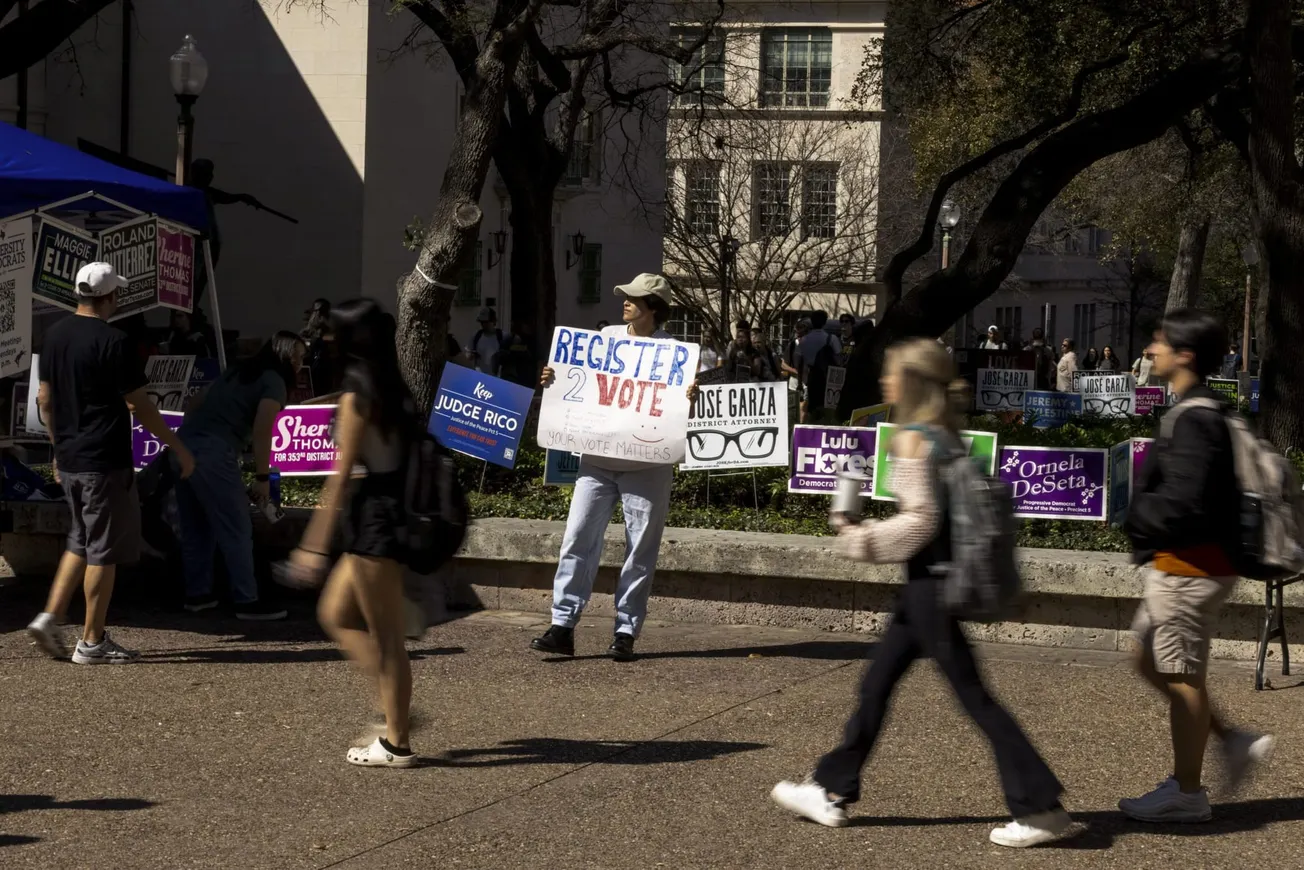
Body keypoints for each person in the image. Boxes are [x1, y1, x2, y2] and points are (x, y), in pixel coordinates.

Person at [770, 338, 1070, 847]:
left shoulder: (912, 437)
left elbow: (921, 522)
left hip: (930, 587)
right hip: (926, 588)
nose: (884, 382)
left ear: (909, 383)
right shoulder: (947, 435)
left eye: (890, 374)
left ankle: (1039, 807)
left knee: (975, 700)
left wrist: (855, 538)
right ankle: (830, 788)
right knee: (875, 687)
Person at [1119, 309, 1275, 822]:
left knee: (1182, 676)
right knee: (1146, 656)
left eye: (1159, 342)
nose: (1149, 350)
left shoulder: (1195, 418)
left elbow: (1184, 502)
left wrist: (1133, 514)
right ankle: (1232, 741)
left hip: (1189, 569)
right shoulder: (1201, 410)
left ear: (1184, 355)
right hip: (1183, 566)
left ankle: (1187, 793)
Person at [26, 263, 197, 664]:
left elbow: (44, 400)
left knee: (80, 539)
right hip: (104, 458)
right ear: (109, 298)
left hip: (70, 457)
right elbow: (140, 404)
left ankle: (49, 615)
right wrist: (177, 445)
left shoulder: (53, 336)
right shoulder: (115, 341)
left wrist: (56, 448)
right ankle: (92, 640)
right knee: (103, 550)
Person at [531, 274, 691, 662]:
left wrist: (690, 394)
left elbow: (680, 411)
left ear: (653, 307)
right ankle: (563, 625)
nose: (625, 302)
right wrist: (552, 379)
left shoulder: (674, 353)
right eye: (625, 296)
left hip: (648, 465)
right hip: (598, 461)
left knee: (640, 549)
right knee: (577, 538)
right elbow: (577, 383)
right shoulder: (603, 341)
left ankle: (625, 631)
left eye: (634, 298)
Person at [290, 299, 418, 767]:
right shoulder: (388, 384)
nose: (322, 340)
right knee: (336, 614)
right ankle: (395, 712)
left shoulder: (358, 393)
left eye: (328, 334)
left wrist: (312, 544)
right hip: (384, 511)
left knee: (387, 638)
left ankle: (397, 743)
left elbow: (339, 476)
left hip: (376, 519)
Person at [175, 332, 306, 620]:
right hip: (214, 451)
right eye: (296, 356)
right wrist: (262, 476)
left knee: (197, 528)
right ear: (283, 356)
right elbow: (263, 428)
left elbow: (194, 402)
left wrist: (197, 438)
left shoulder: (236, 373)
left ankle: (199, 596)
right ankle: (247, 601)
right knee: (237, 527)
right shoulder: (274, 381)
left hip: (183, 445)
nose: (299, 363)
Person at [798, 312, 842, 422]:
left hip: (810, 378)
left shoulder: (803, 340)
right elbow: (839, 360)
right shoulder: (831, 339)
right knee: (828, 412)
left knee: (812, 411)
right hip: (829, 379)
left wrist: (800, 382)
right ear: (825, 322)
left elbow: (800, 362)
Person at [301, 298, 336, 396]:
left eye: (322, 313)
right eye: (316, 312)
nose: (318, 316)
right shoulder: (306, 333)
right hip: (310, 375)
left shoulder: (331, 333)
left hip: (326, 375)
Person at [467, 307, 503, 376]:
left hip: (497, 377)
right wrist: (471, 355)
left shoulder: (502, 336)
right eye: (482, 322)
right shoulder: (476, 336)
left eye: (486, 322)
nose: (484, 325)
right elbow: (468, 355)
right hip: (479, 376)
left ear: (494, 321)